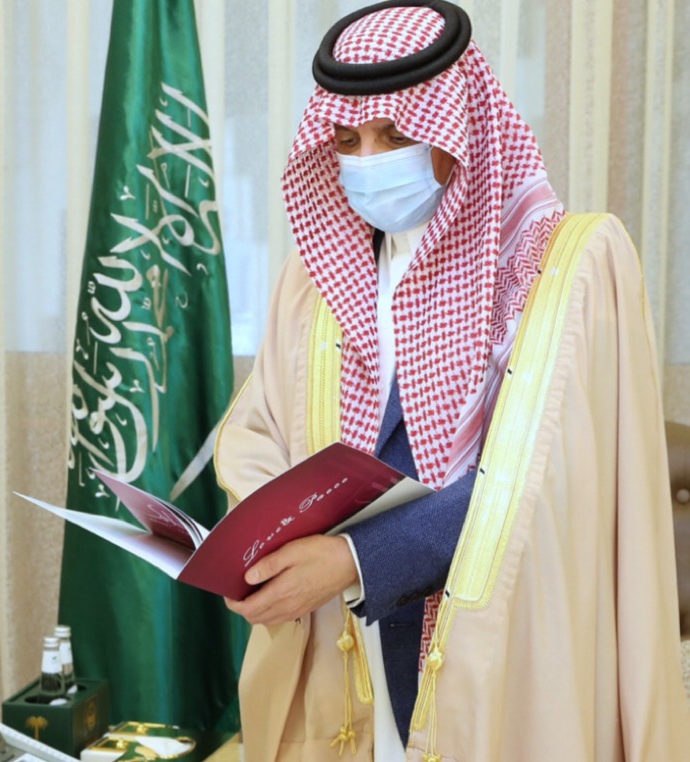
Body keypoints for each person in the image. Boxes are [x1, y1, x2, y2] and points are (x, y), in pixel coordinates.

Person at [215, 2, 689, 760]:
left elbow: (548, 480)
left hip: (501, 653)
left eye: (395, 135)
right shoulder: (314, 277)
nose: (368, 160)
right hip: (341, 647)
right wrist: (262, 539)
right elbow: (261, 425)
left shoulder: (573, 266)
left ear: (457, 126)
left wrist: (356, 559)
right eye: (348, 141)